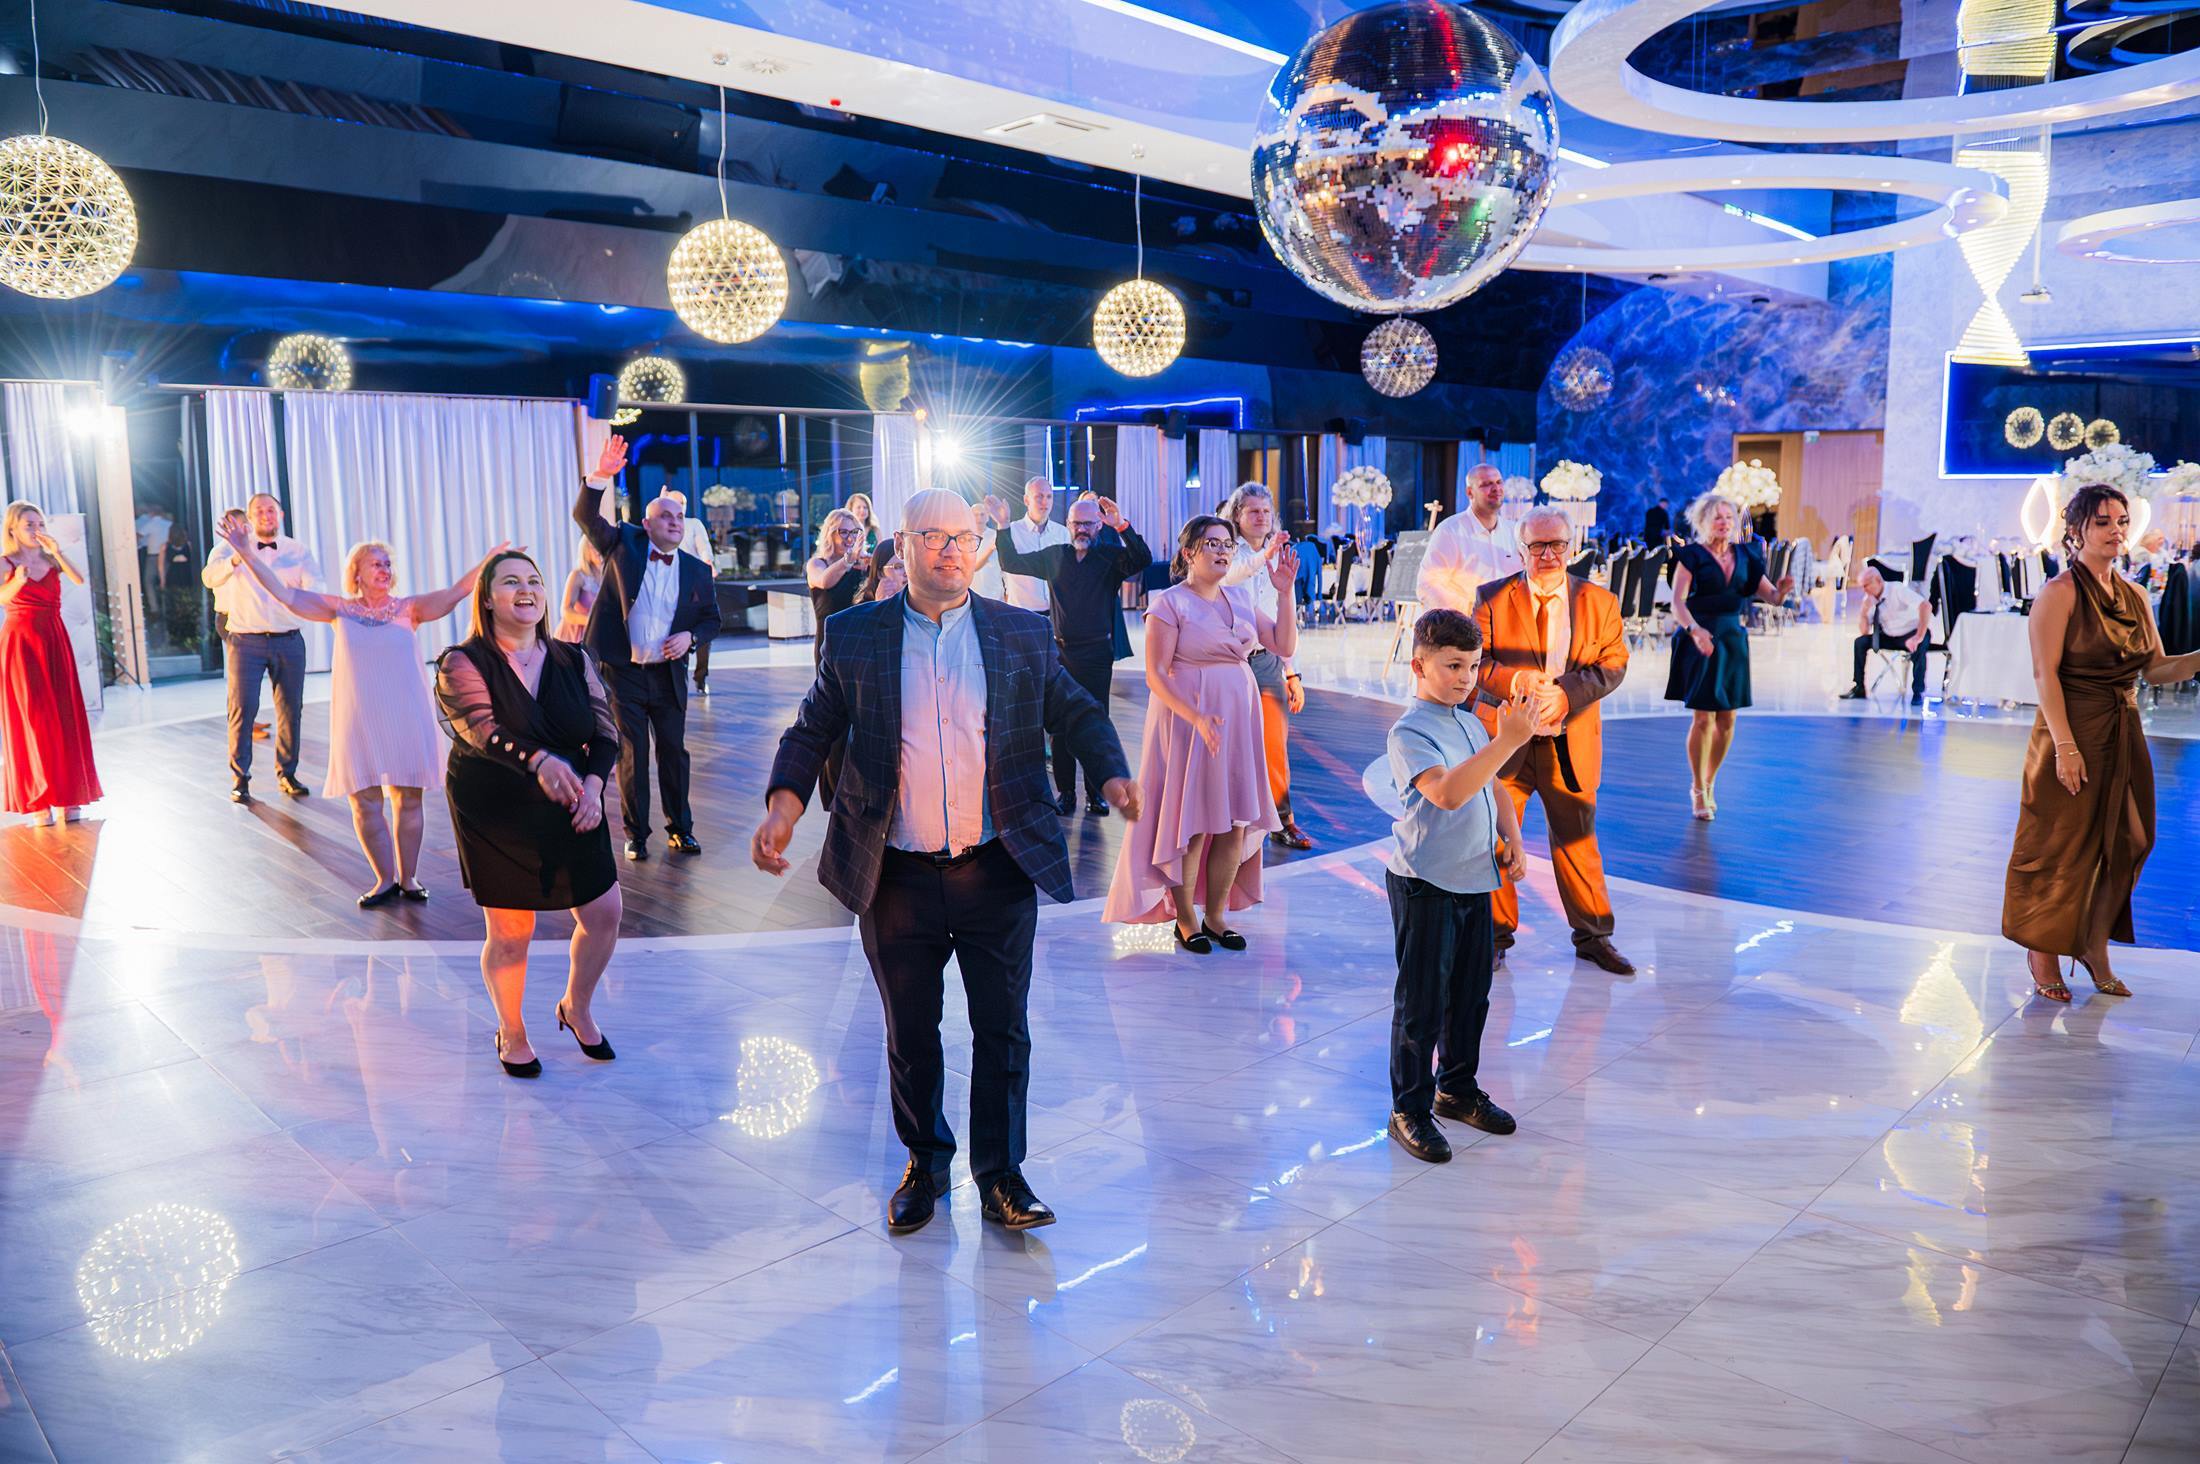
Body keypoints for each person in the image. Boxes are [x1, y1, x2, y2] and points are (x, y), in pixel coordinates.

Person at [751, 488, 1138, 1234]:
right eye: (933, 536)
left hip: (996, 864)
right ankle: (925, 1164)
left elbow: (1075, 709)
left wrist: (1112, 772)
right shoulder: (856, 634)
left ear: (979, 547)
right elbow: (813, 727)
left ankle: (1002, 1174)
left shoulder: (1020, 631)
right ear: (902, 544)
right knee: (911, 1032)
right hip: (894, 871)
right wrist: (784, 805)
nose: (950, 549)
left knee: (1003, 1029)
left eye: (962, 536)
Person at [218, 521, 508, 907]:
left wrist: (489, 562)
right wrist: (246, 552)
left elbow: (456, 592)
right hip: (359, 719)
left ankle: (408, 878)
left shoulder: (410, 609)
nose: (384, 569)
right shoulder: (338, 610)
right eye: (376, 563)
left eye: (387, 564)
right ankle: (384, 879)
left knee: (408, 798)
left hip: (405, 715)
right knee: (365, 801)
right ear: (356, 572)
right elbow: (285, 594)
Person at [2004, 484, 2200, 1003]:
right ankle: (2043, 951)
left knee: (2132, 839)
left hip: (2122, 728)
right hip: (2069, 729)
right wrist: (2065, 748)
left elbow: (2156, 669)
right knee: (2059, 845)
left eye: (2121, 520)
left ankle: (2092, 942)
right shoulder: (2059, 593)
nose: (2116, 530)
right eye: (2103, 522)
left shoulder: (2134, 595)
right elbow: (2044, 675)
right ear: (2076, 531)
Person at [435, 550, 623, 1077]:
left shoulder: (573, 658)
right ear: (487, 599)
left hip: (572, 799)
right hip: (496, 807)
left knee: (604, 913)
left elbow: (606, 732)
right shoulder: (462, 662)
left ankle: (576, 1006)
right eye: (511, 581)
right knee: (512, 930)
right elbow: (480, 730)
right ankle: (511, 1029)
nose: (527, 589)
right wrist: (539, 761)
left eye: (535, 581)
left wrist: (593, 786)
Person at [1385, 609, 1537, 1163]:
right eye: (1453, 666)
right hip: (1425, 881)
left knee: (1471, 996)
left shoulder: (1471, 723)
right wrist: (1509, 741)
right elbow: (1447, 794)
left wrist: (1512, 837)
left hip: (1474, 875)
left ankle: (1456, 1089)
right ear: (1418, 665)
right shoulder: (1409, 732)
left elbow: (1492, 787)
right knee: (1422, 1002)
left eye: (1472, 666)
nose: (1466, 678)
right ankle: (1408, 1109)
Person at [1104, 514, 1296, 951]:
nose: (1223, 551)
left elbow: (1283, 645)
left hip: (1238, 718)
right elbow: (1155, 675)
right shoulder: (1168, 604)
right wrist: (1195, 717)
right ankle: (1186, 918)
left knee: (1234, 819)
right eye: (1212, 543)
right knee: (1190, 821)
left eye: (1228, 544)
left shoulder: (1242, 598)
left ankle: (1217, 915)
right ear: (1189, 552)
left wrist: (1285, 594)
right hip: (1186, 721)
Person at [1472, 505, 1635, 975]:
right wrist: (1517, 680)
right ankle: (1494, 937)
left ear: (1571, 546)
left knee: (1578, 840)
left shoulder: (1599, 602)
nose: (1548, 555)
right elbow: (1476, 662)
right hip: (1507, 743)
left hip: (1571, 741)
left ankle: (1594, 938)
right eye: (1538, 546)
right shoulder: (1491, 597)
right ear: (1521, 549)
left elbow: (1614, 663)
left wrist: (1566, 694)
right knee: (1498, 836)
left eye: (1557, 545)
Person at [573, 434, 722, 861]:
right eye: (666, 516)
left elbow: (711, 620)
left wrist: (691, 637)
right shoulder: (624, 544)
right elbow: (585, 515)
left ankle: (681, 829)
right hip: (624, 673)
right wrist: (600, 474)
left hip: (668, 674)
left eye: (679, 517)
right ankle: (636, 834)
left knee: (674, 753)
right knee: (632, 755)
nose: (675, 522)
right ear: (648, 523)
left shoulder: (696, 570)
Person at [986, 489, 1151, 814]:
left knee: (1095, 723)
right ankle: (1066, 794)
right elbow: (1011, 561)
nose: (1082, 529)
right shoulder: (1055, 555)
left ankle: (1095, 793)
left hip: (1097, 655)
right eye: (1077, 523)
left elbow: (1142, 559)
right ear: (1068, 524)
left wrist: (1122, 525)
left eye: (1089, 524)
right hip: (1060, 655)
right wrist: (1003, 526)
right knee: (1060, 729)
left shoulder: (1109, 558)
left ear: (1099, 526)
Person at [1663, 491, 1793, 820]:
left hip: (1732, 640)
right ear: (1703, 522)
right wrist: (1695, 631)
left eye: (1728, 517)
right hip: (1700, 637)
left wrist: (1782, 592)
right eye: (1717, 517)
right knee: (1703, 718)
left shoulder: (1746, 555)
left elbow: (1772, 597)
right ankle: (1697, 788)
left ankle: (1710, 781)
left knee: (1727, 718)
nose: (1724, 522)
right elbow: (1677, 603)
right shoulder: (1691, 556)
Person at [201, 493, 319, 803]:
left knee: (291, 709)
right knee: (243, 709)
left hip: (289, 639)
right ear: (250, 518)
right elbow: (209, 578)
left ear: (280, 515)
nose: (266, 515)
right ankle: (240, 778)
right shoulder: (230, 548)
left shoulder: (298, 551)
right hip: (246, 640)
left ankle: (288, 773)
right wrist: (237, 556)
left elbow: (316, 587)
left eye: (271, 510)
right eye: (259, 511)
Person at [1221, 483, 1314, 850]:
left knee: (1274, 746)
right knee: (1229, 746)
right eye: (1253, 511)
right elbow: (1229, 576)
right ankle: (1229, 823)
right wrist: (1265, 556)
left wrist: (1291, 672)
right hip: (1228, 662)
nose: (1261, 517)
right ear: (1237, 515)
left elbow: (1284, 617)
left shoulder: (1279, 554)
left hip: (1266, 660)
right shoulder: (1226, 549)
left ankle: (1282, 821)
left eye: (1265, 511)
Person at [0, 503, 101, 824]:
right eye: (29, 524)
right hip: (21, 643)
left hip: (54, 639)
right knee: (32, 718)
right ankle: (39, 800)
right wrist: (18, 580)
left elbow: (79, 579)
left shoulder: (51, 559)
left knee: (63, 715)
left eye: (40, 523)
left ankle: (67, 796)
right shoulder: (5, 562)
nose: (36, 529)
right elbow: (2, 598)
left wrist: (57, 551)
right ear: (13, 528)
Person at [1417, 463, 1521, 613]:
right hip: (1465, 622)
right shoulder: (1450, 531)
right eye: (1487, 484)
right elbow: (1428, 585)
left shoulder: (1514, 531)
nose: (1496, 488)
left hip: (1507, 620)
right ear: (1470, 492)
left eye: (1499, 482)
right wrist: (1468, 611)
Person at [1839, 560, 1930, 703]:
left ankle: (1918, 692)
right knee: (1860, 642)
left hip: (1910, 632)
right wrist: (1863, 613)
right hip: (1889, 635)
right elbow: (1864, 631)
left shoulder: (1897, 589)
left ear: (1877, 581)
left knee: (1920, 646)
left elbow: (1925, 606)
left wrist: (1919, 636)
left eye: (1866, 585)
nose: (1864, 590)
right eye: (1862, 587)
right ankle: (1859, 687)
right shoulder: (1869, 599)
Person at [806, 509, 870, 661]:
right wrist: (848, 560)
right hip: (830, 645)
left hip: (861, 642)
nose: (850, 538)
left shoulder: (863, 565)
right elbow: (824, 581)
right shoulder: (817, 564)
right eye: (844, 532)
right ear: (830, 534)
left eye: (854, 532)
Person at [999, 476, 1071, 612]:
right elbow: (1001, 570)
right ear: (1026, 500)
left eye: (1049, 497)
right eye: (1039, 496)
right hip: (1021, 612)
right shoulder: (1011, 531)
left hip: (1056, 612)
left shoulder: (1062, 533)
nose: (1045, 502)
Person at [680, 512, 717, 694]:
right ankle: (684, 679)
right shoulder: (662, 525)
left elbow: (704, 550)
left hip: (694, 584)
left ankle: (700, 677)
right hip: (675, 584)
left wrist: (708, 565)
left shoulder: (693, 524)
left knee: (701, 631)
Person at [555, 537, 602, 645]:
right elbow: (565, 611)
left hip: (598, 634)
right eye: (593, 547)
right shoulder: (578, 575)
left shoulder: (612, 577)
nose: (598, 550)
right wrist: (591, 621)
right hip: (574, 636)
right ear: (585, 550)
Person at [855, 537, 904, 604]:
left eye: (909, 566)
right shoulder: (863, 607)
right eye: (899, 567)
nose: (906, 572)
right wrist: (880, 604)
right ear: (880, 573)